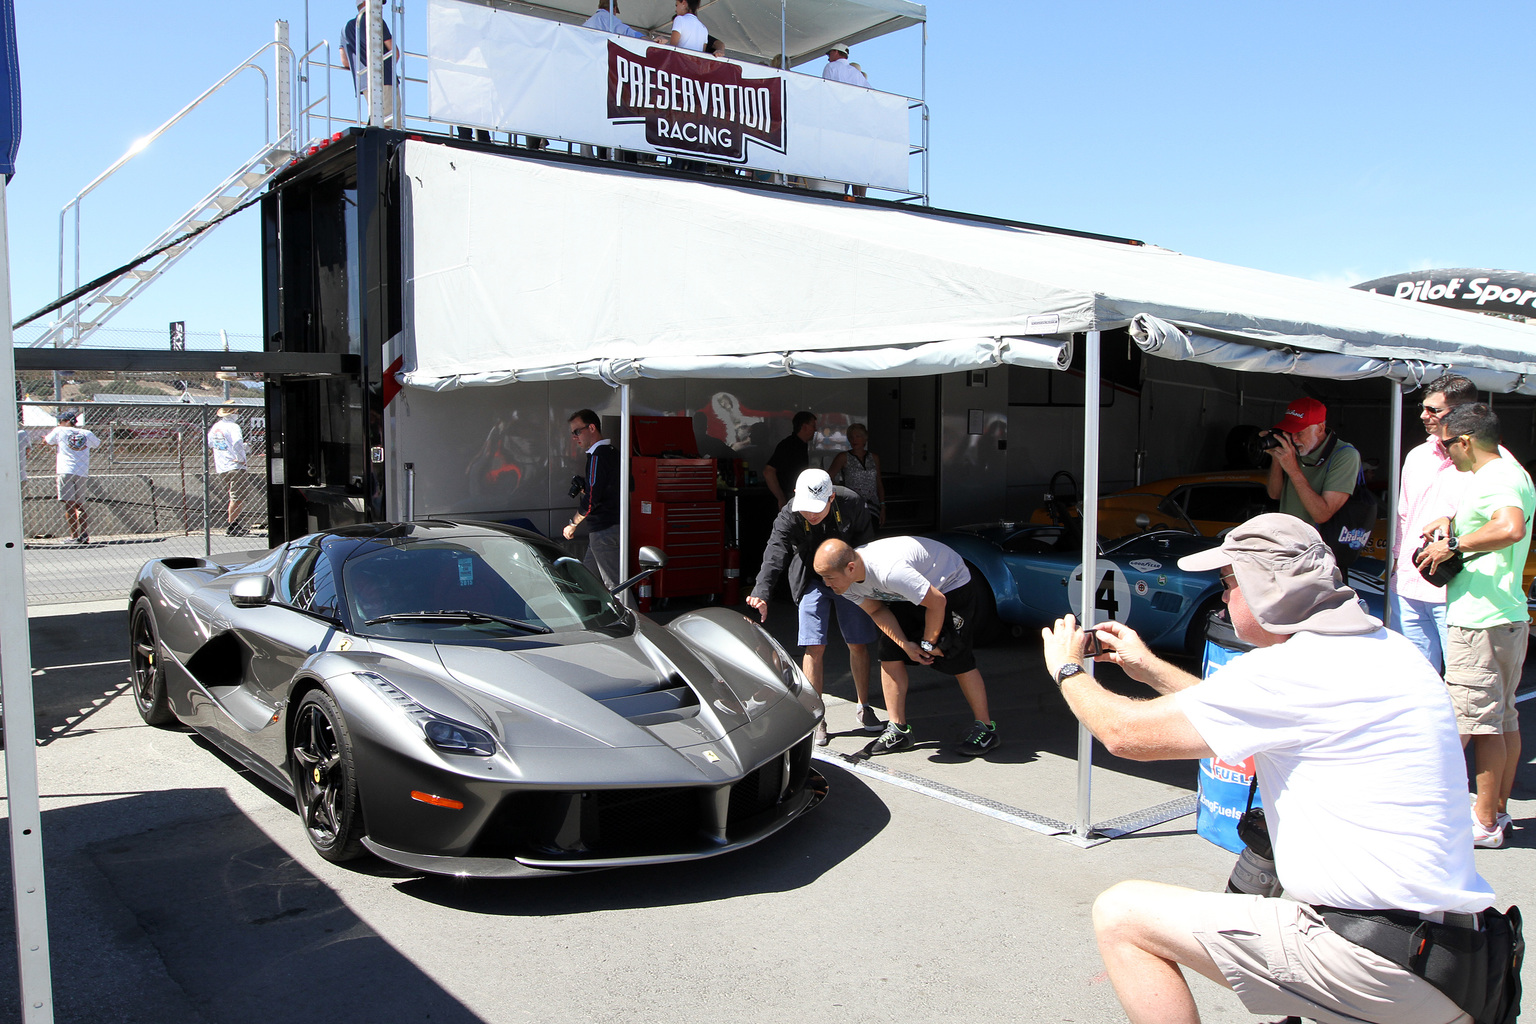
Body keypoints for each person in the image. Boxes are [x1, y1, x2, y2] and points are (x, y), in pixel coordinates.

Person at [1043, 514, 1500, 1024]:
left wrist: (1065, 668)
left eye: (1227, 582)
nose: (1220, 598)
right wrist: (1147, 667)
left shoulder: (1292, 670)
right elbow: (1248, 716)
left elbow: (1124, 735)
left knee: (1122, 914)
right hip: (1455, 964)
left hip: (1375, 962)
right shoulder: (1390, 651)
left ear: (1266, 588)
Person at [1415, 403, 1533, 850]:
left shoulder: (1496, 477)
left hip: (1479, 619)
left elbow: (1511, 527)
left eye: (1446, 444)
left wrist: (1454, 545)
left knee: (1472, 722)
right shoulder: (1509, 471)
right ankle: (1495, 811)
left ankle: (1481, 821)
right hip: (1505, 612)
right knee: (1501, 720)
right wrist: (1451, 525)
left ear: (1464, 440)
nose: (1444, 453)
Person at [813, 536, 998, 757]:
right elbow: (876, 610)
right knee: (889, 650)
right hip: (906, 594)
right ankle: (898, 730)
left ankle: (986, 728)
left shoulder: (890, 572)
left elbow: (937, 601)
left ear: (851, 568)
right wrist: (905, 644)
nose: (826, 584)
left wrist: (928, 643)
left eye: (829, 578)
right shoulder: (846, 585)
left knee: (954, 654)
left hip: (949, 586)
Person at [748, 469, 882, 745]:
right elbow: (775, 550)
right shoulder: (789, 514)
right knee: (813, 645)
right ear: (797, 497)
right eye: (806, 509)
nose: (811, 515)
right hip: (812, 578)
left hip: (849, 577)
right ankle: (816, 715)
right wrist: (762, 592)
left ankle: (864, 705)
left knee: (858, 643)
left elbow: (869, 545)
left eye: (817, 509)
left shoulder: (852, 502)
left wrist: (868, 583)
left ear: (832, 497)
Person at [1390, 374, 1484, 672]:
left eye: (1434, 410)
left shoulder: (1488, 460)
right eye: (1423, 407)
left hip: (1457, 589)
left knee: (1463, 683)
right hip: (1408, 585)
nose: (1423, 415)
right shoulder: (1418, 455)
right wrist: (1396, 563)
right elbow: (1403, 514)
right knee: (1415, 680)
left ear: (1463, 412)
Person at [1265, 397, 1360, 536]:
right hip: (1287, 543)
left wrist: (1293, 469)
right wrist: (1276, 455)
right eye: (1290, 432)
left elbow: (1322, 514)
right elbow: (1274, 494)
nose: (1294, 439)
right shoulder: (1293, 448)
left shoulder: (1345, 455)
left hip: (1317, 550)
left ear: (1320, 428)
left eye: (1300, 432)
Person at [563, 409, 623, 594]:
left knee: (616, 587)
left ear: (591, 427)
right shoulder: (612, 453)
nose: (574, 437)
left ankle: (634, 620)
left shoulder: (598, 456)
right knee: (586, 580)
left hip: (603, 530)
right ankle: (590, 617)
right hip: (610, 528)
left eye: (577, 431)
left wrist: (573, 524)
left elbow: (591, 500)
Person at [44, 411, 100, 544]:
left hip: (66, 470)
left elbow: (47, 441)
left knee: (69, 505)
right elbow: (96, 443)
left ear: (67, 421)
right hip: (81, 471)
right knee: (80, 504)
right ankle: (84, 534)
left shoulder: (60, 430)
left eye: (61, 420)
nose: (59, 423)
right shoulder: (86, 433)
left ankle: (74, 536)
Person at [340, 2, 397, 126]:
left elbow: (345, 61)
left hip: (364, 82)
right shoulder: (375, 20)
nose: (381, 6)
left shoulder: (347, 27)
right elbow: (395, 52)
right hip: (384, 78)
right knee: (390, 124)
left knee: (376, 118)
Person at [827, 422, 885, 526]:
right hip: (852, 506)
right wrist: (841, 489)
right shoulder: (843, 457)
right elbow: (828, 477)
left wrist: (883, 506)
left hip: (873, 506)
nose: (854, 440)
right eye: (851, 437)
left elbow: (879, 483)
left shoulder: (874, 458)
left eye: (858, 436)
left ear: (865, 438)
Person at [208, 407, 253, 536]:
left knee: (233, 496)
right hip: (235, 466)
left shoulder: (216, 427)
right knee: (237, 497)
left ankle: (235, 523)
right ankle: (232, 525)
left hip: (222, 465)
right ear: (233, 413)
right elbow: (237, 442)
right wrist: (240, 458)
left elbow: (211, 443)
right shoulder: (233, 427)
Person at [764, 411, 816, 510]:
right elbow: (768, 471)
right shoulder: (788, 446)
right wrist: (781, 498)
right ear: (804, 426)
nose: (815, 429)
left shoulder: (802, 446)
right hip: (790, 496)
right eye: (813, 426)